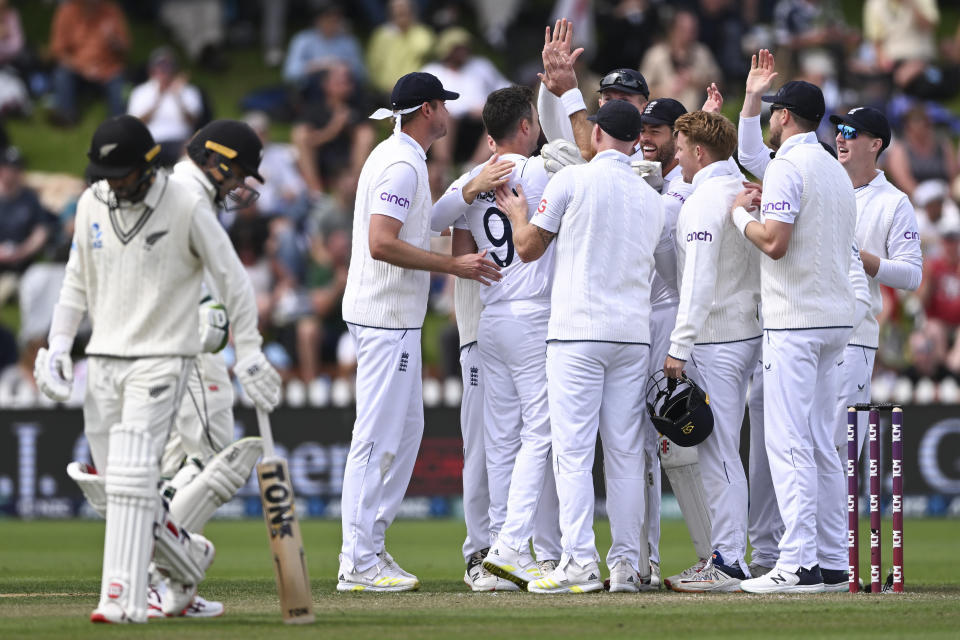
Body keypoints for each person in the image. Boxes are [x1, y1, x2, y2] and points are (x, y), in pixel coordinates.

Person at [33, 115, 281, 623]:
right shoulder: (93, 202)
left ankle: (125, 595)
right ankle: (185, 557)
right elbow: (78, 278)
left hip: (165, 357)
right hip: (107, 358)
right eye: (109, 173)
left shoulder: (186, 202)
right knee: (121, 487)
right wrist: (59, 344)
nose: (116, 182)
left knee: (133, 477)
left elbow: (232, 281)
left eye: (124, 173)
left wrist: (250, 350)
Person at [495, 99, 675, 593]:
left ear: (596, 136)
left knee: (573, 452)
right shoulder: (651, 198)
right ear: (635, 140)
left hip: (577, 332)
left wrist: (517, 214)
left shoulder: (571, 180)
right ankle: (624, 565)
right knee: (623, 453)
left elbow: (529, 249)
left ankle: (578, 562)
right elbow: (664, 269)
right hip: (632, 334)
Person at [337, 71, 501, 592]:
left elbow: (417, 228)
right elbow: (381, 243)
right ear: (428, 109)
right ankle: (357, 561)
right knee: (377, 437)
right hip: (384, 318)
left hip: (396, 319)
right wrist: (453, 268)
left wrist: (470, 188)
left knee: (403, 437)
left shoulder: (404, 159)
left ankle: (371, 548)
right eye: (445, 105)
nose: (451, 113)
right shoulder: (401, 165)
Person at [730, 79, 870, 594]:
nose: (769, 118)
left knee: (788, 440)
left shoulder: (789, 166)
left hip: (796, 321)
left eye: (771, 111)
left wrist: (741, 214)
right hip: (835, 320)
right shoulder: (833, 169)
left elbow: (774, 243)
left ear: (786, 116)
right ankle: (833, 562)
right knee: (818, 444)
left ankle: (797, 564)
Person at [430, 86, 561, 591]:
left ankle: (498, 561)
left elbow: (433, 220)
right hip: (531, 315)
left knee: (502, 440)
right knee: (541, 432)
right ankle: (512, 548)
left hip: (491, 317)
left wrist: (469, 187)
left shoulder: (475, 178)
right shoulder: (538, 170)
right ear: (527, 126)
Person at [661, 110, 761, 592]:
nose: (674, 155)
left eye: (680, 147)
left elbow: (697, 284)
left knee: (719, 452)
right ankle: (733, 556)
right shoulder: (738, 191)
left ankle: (727, 562)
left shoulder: (704, 203)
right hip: (744, 333)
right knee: (725, 451)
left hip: (718, 341)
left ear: (699, 152)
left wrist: (678, 347)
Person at [829, 107, 922, 465]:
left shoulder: (894, 202)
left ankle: (834, 525)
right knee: (801, 445)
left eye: (851, 132)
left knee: (839, 451)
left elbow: (912, 275)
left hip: (855, 337)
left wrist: (861, 258)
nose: (840, 136)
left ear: (875, 144)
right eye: (839, 129)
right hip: (808, 330)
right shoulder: (823, 183)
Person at [48, 0, 130, 125]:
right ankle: (67, 115)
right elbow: (57, 51)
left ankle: (117, 122)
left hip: (107, 69)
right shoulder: (67, 11)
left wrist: (115, 41)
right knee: (61, 74)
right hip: (78, 69)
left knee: (118, 79)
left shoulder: (111, 11)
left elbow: (126, 48)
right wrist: (82, 67)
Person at [127, 47, 203, 167]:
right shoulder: (140, 92)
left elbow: (193, 121)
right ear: (152, 70)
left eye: (168, 67)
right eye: (160, 67)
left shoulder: (189, 90)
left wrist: (177, 96)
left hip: (180, 142)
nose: (164, 71)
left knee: (192, 150)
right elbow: (136, 124)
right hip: (151, 143)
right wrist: (158, 98)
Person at [639, 9, 721, 111]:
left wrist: (696, 81)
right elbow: (640, 92)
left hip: (696, 118)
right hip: (663, 119)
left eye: (692, 30)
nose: (689, 35)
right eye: (683, 30)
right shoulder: (655, 55)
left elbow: (719, 84)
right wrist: (663, 91)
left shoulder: (702, 53)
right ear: (672, 30)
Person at [282, 1, 366, 87]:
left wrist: (341, 66)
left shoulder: (349, 42)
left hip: (342, 91)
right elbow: (290, 73)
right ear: (317, 20)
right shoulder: (303, 40)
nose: (332, 22)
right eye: (327, 18)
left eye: (336, 19)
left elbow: (361, 74)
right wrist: (318, 66)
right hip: (311, 91)